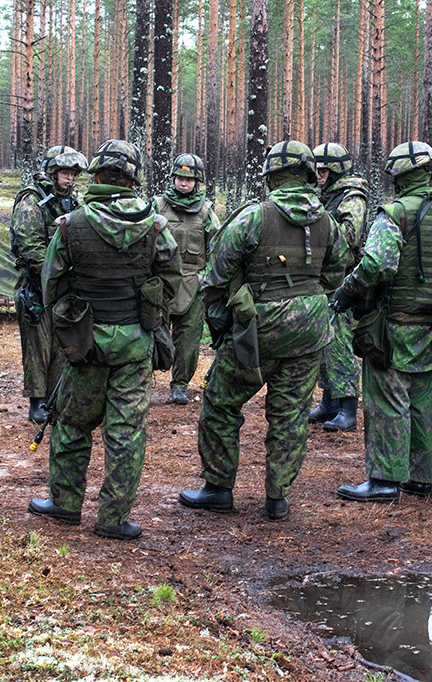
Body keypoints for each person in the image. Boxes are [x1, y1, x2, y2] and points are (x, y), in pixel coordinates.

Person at [178, 140, 351, 520]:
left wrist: (225, 320)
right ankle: (277, 498)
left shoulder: (254, 216)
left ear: (271, 176)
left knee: (221, 404)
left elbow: (216, 274)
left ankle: (218, 488)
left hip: (259, 329)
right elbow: (337, 271)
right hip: (310, 330)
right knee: (290, 414)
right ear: (309, 175)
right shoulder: (327, 221)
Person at [28, 140, 181, 540]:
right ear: (133, 180)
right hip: (135, 342)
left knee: (72, 425)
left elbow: (51, 285)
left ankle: (64, 504)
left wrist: (70, 328)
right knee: (127, 433)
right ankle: (113, 518)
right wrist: (146, 310)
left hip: (86, 345)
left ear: (95, 175)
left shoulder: (71, 225)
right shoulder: (155, 226)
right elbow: (172, 281)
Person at [331, 141, 432, 503]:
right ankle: (422, 478)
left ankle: (384, 481)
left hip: (393, 323)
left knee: (386, 398)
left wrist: (347, 291)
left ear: (399, 176)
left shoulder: (394, 214)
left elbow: (376, 264)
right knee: (422, 401)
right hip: (430, 324)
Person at [10, 145, 88, 423]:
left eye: (73, 174)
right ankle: (36, 402)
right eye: (65, 173)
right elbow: (30, 247)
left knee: (61, 345)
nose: (70, 178)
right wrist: (55, 273)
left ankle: (55, 399)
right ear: (52, 173)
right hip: (36, 286)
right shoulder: (32, 201)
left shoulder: (71, 203)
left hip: (63, 287)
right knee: (37, 346)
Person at [308, 142, 369, 431]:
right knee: (324, 343)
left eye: (323, 171)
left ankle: (348, 408)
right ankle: (329, 403)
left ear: (336, 172)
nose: (319, 175)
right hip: (324, 278)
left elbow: (350, 236)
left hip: (341, 281)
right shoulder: (325, 195)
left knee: (340, 343)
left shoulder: (351, 196)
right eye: (316, 171)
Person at [153, 153, 221, 405]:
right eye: (180, 178)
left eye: (189, 179)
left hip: (194, 282)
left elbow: (217, 247)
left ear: (197, 182)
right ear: (173, 178)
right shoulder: (157, 206)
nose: (183, 183)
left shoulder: (206, 211)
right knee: (153, 332)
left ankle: (180, 384)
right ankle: (143, 379)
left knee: (189, 339)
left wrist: (208, 279)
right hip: (161, 283)